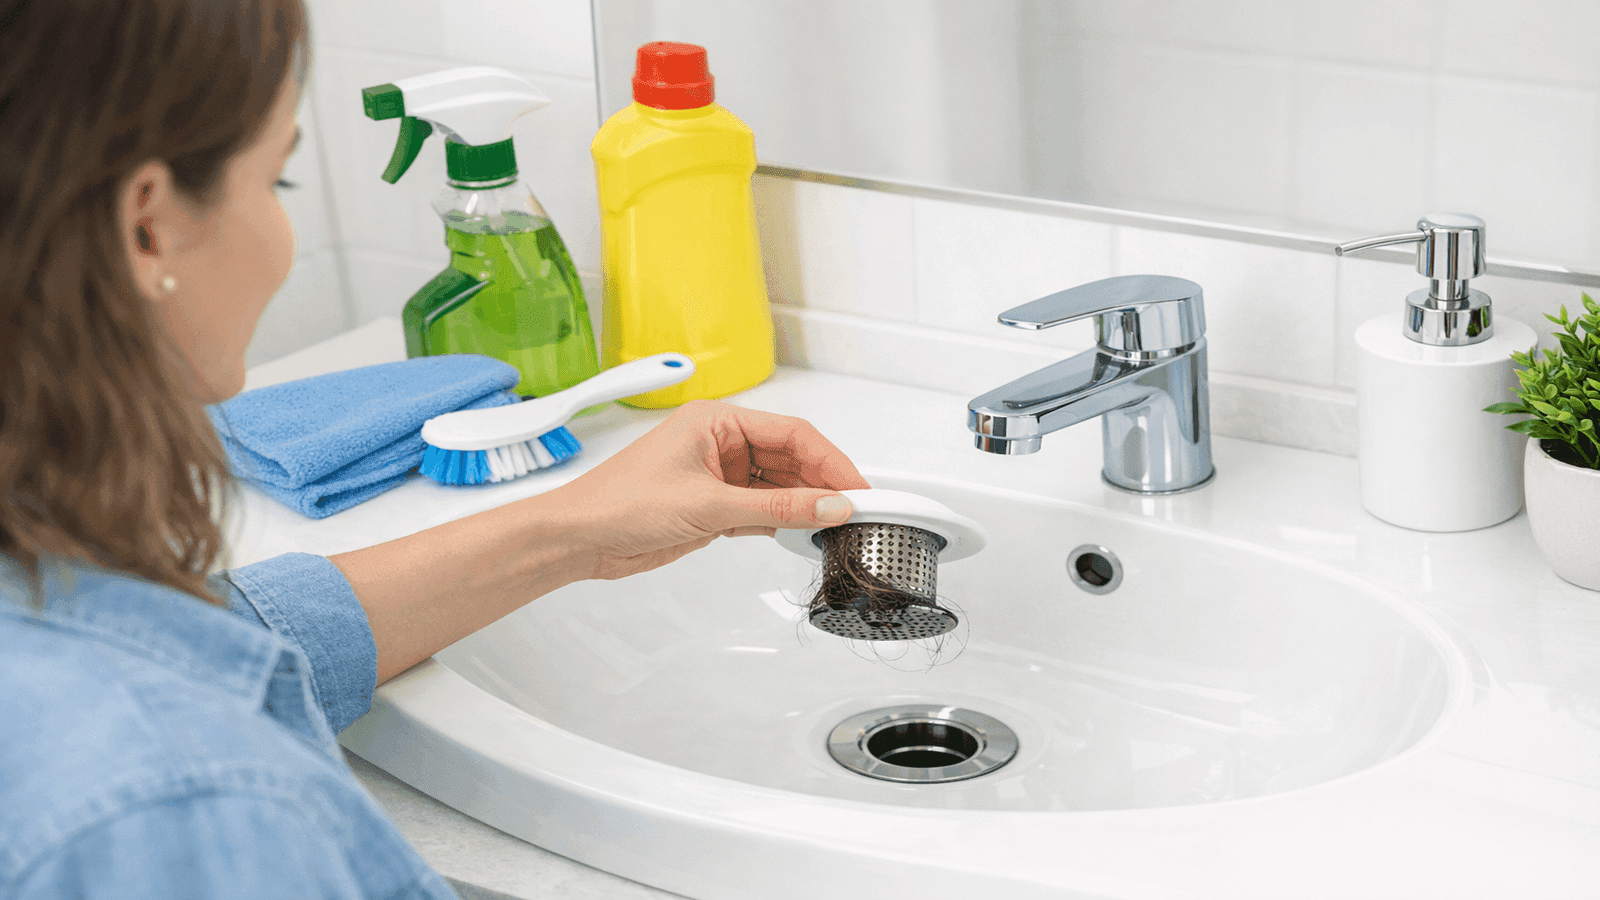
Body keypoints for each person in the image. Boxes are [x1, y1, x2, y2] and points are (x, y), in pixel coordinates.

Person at [0, 1, 868, 896]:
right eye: (276, 183)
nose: (279, 232)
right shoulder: (179, 809)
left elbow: (219, 637)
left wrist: (573, 531)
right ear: (149, 228)